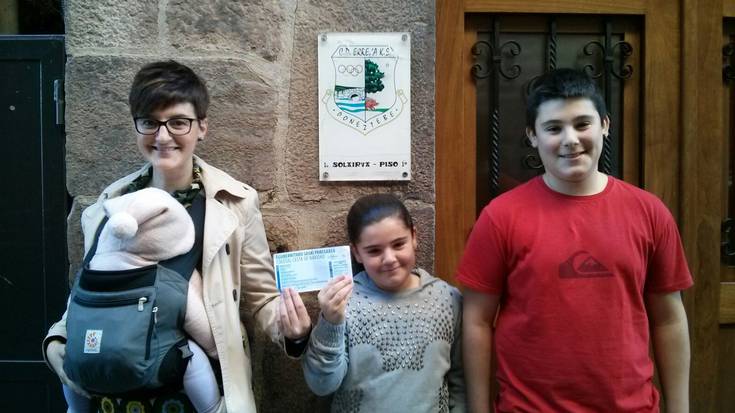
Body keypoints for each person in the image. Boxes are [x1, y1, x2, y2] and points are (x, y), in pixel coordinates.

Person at [43, 60, 312, 412]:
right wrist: (57, 340)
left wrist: (292, 330)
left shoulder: (235, 202)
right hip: (115, 394)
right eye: (149, 122)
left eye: (178, 122)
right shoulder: (112, 204)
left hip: (198, 395)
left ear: (202, 127)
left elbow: (261, 299)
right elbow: (92, 290)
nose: (163, 136)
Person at [457, 68, 693, 413]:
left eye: (582, 124)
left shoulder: (649, 212)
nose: (570, 139)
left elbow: (669, 319)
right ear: (532, 135)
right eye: (554, 128)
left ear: (605, 125)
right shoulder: (500, 217)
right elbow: (477, 321)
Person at [301, 193, 466, 412]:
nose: (389, 259)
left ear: (414, 237)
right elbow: (322, 385)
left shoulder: (447, 299)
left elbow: (460, 382)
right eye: (374, 251)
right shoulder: (344, 304)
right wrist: (331, 323)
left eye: (398, 244)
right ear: (357, 253)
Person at [62, 187, 221, 413]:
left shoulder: (86, 276)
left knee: (71, 362)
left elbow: (72, 314)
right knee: (191, 354)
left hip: (88, 363)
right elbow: (204, 331)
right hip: (152, 370)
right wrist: (215, 350)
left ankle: (74, 408)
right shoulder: (169, 283)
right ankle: (213, 408)